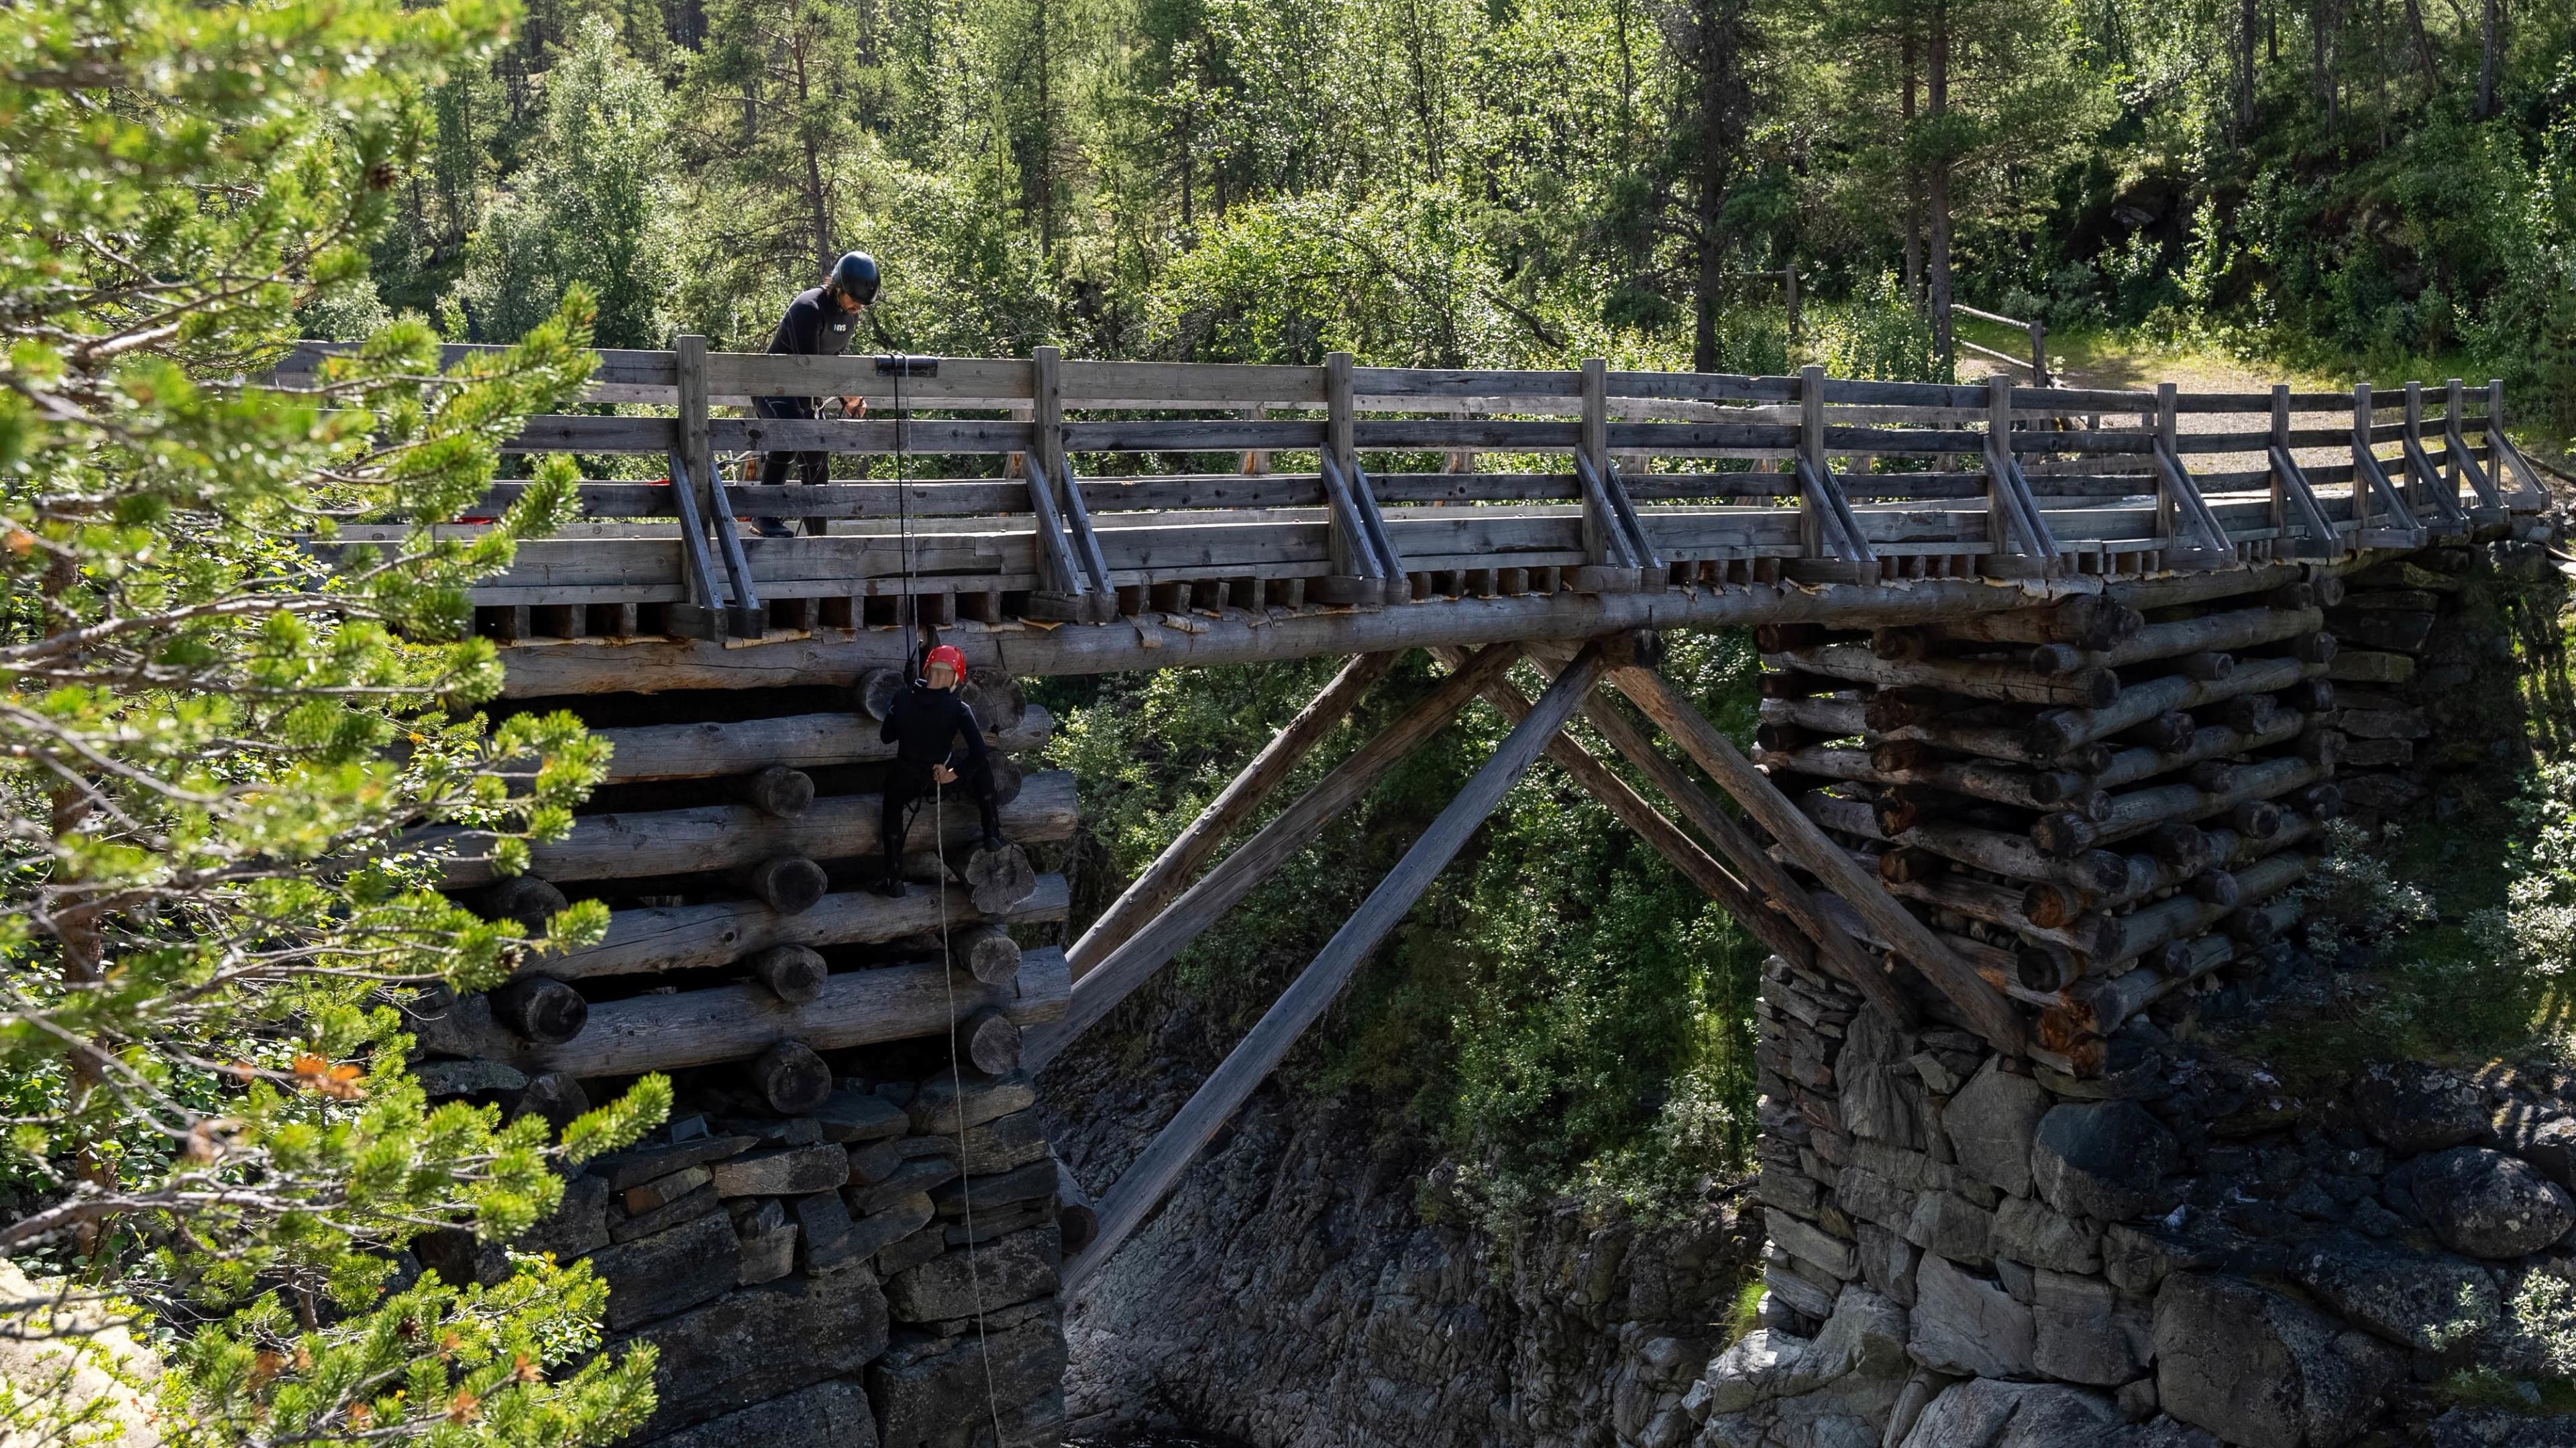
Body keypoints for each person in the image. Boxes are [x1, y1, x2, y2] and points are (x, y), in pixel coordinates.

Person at [747, 250, 879, 537]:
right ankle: (763, 516)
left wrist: (850, 397)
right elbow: (808, 368)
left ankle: (819, 537)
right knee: (793, 432)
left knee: (818, 455)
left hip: (804, 389)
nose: (858, 307)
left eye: (863, 304)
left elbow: (834, 363)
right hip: (773, 387)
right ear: (839, 288)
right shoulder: (810, 307)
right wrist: (844, 393)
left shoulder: (849, 317)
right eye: (854, 300)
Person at [873, 644, 1004, 897]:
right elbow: (978, 753)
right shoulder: (958, 708)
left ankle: (894, 879)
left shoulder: (902, 697)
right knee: (982, 768)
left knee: (891, 807)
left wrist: (898, 709)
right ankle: (992, 833)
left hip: (906, 778)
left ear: (927, 670)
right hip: (940, 775)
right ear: (956, 676)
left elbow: (886, 737)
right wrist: (951, 774)